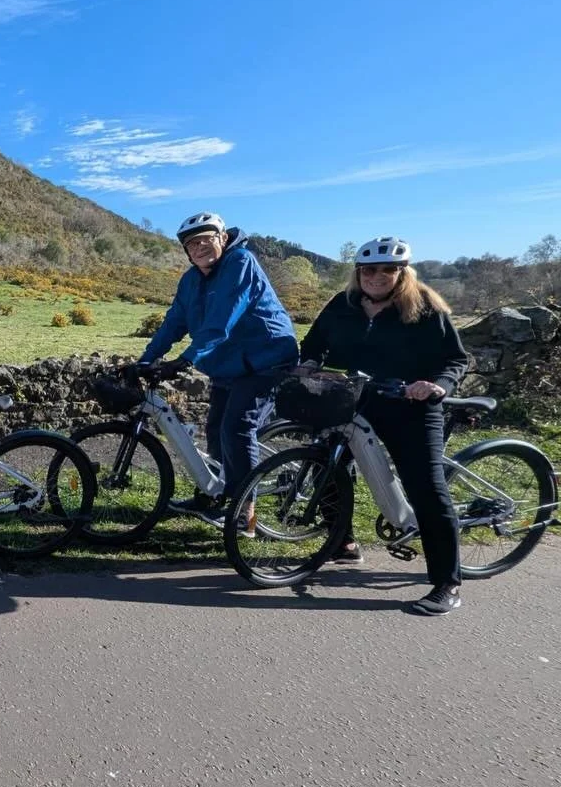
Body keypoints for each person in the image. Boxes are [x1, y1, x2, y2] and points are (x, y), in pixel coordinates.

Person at [299, 237, 470, 615]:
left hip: (411, 406)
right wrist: (309, 364)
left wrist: (437, 385)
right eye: (369, 270)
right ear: (358, 272)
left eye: (387, 269)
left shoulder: (424, 308)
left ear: (402, 273)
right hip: (356, 399)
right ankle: (343, 542)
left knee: (426, 488)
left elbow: (455, 359)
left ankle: (447, 582)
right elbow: (315, 342)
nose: (377, 276)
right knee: (326, 466)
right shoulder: (343, 304)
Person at [139, 211, 299, 533]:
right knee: (215, 430)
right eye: (192, 243)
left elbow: (222, 320)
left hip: (265, 359)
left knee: (237, 427)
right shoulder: (190, 280)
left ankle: (244, 512)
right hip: (228, 364)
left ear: (223, 238)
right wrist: (146, 360)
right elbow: (173, 322)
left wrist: (186, 360)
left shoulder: (240, 262)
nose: (199, 247)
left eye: (206, 239)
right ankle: (215, 496)